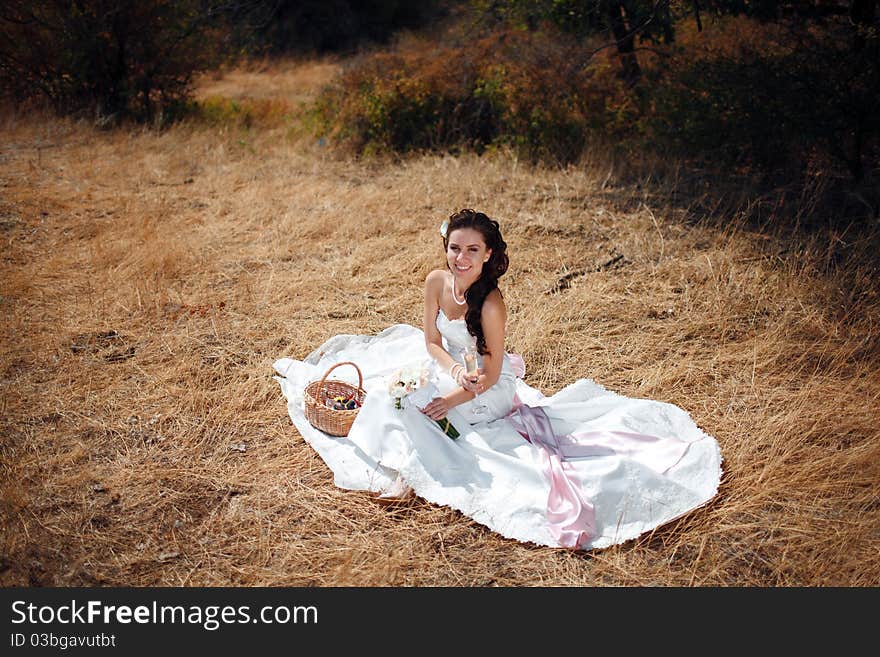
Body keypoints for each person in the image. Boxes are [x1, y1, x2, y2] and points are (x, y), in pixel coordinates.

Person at [274, 209, 722, 551]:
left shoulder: (491, 304)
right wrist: (448, 373)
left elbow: (489, 373)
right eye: (454, 248)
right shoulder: (435, 281)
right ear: (445, 249)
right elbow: (430, 340)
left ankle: (410, 470)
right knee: (390, 398)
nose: (461, 258)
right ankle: (405, 461)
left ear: (488, 254)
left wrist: (452, 398)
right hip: (451, 369)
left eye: (472, 250)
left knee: (425, 415)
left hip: (486, 387)